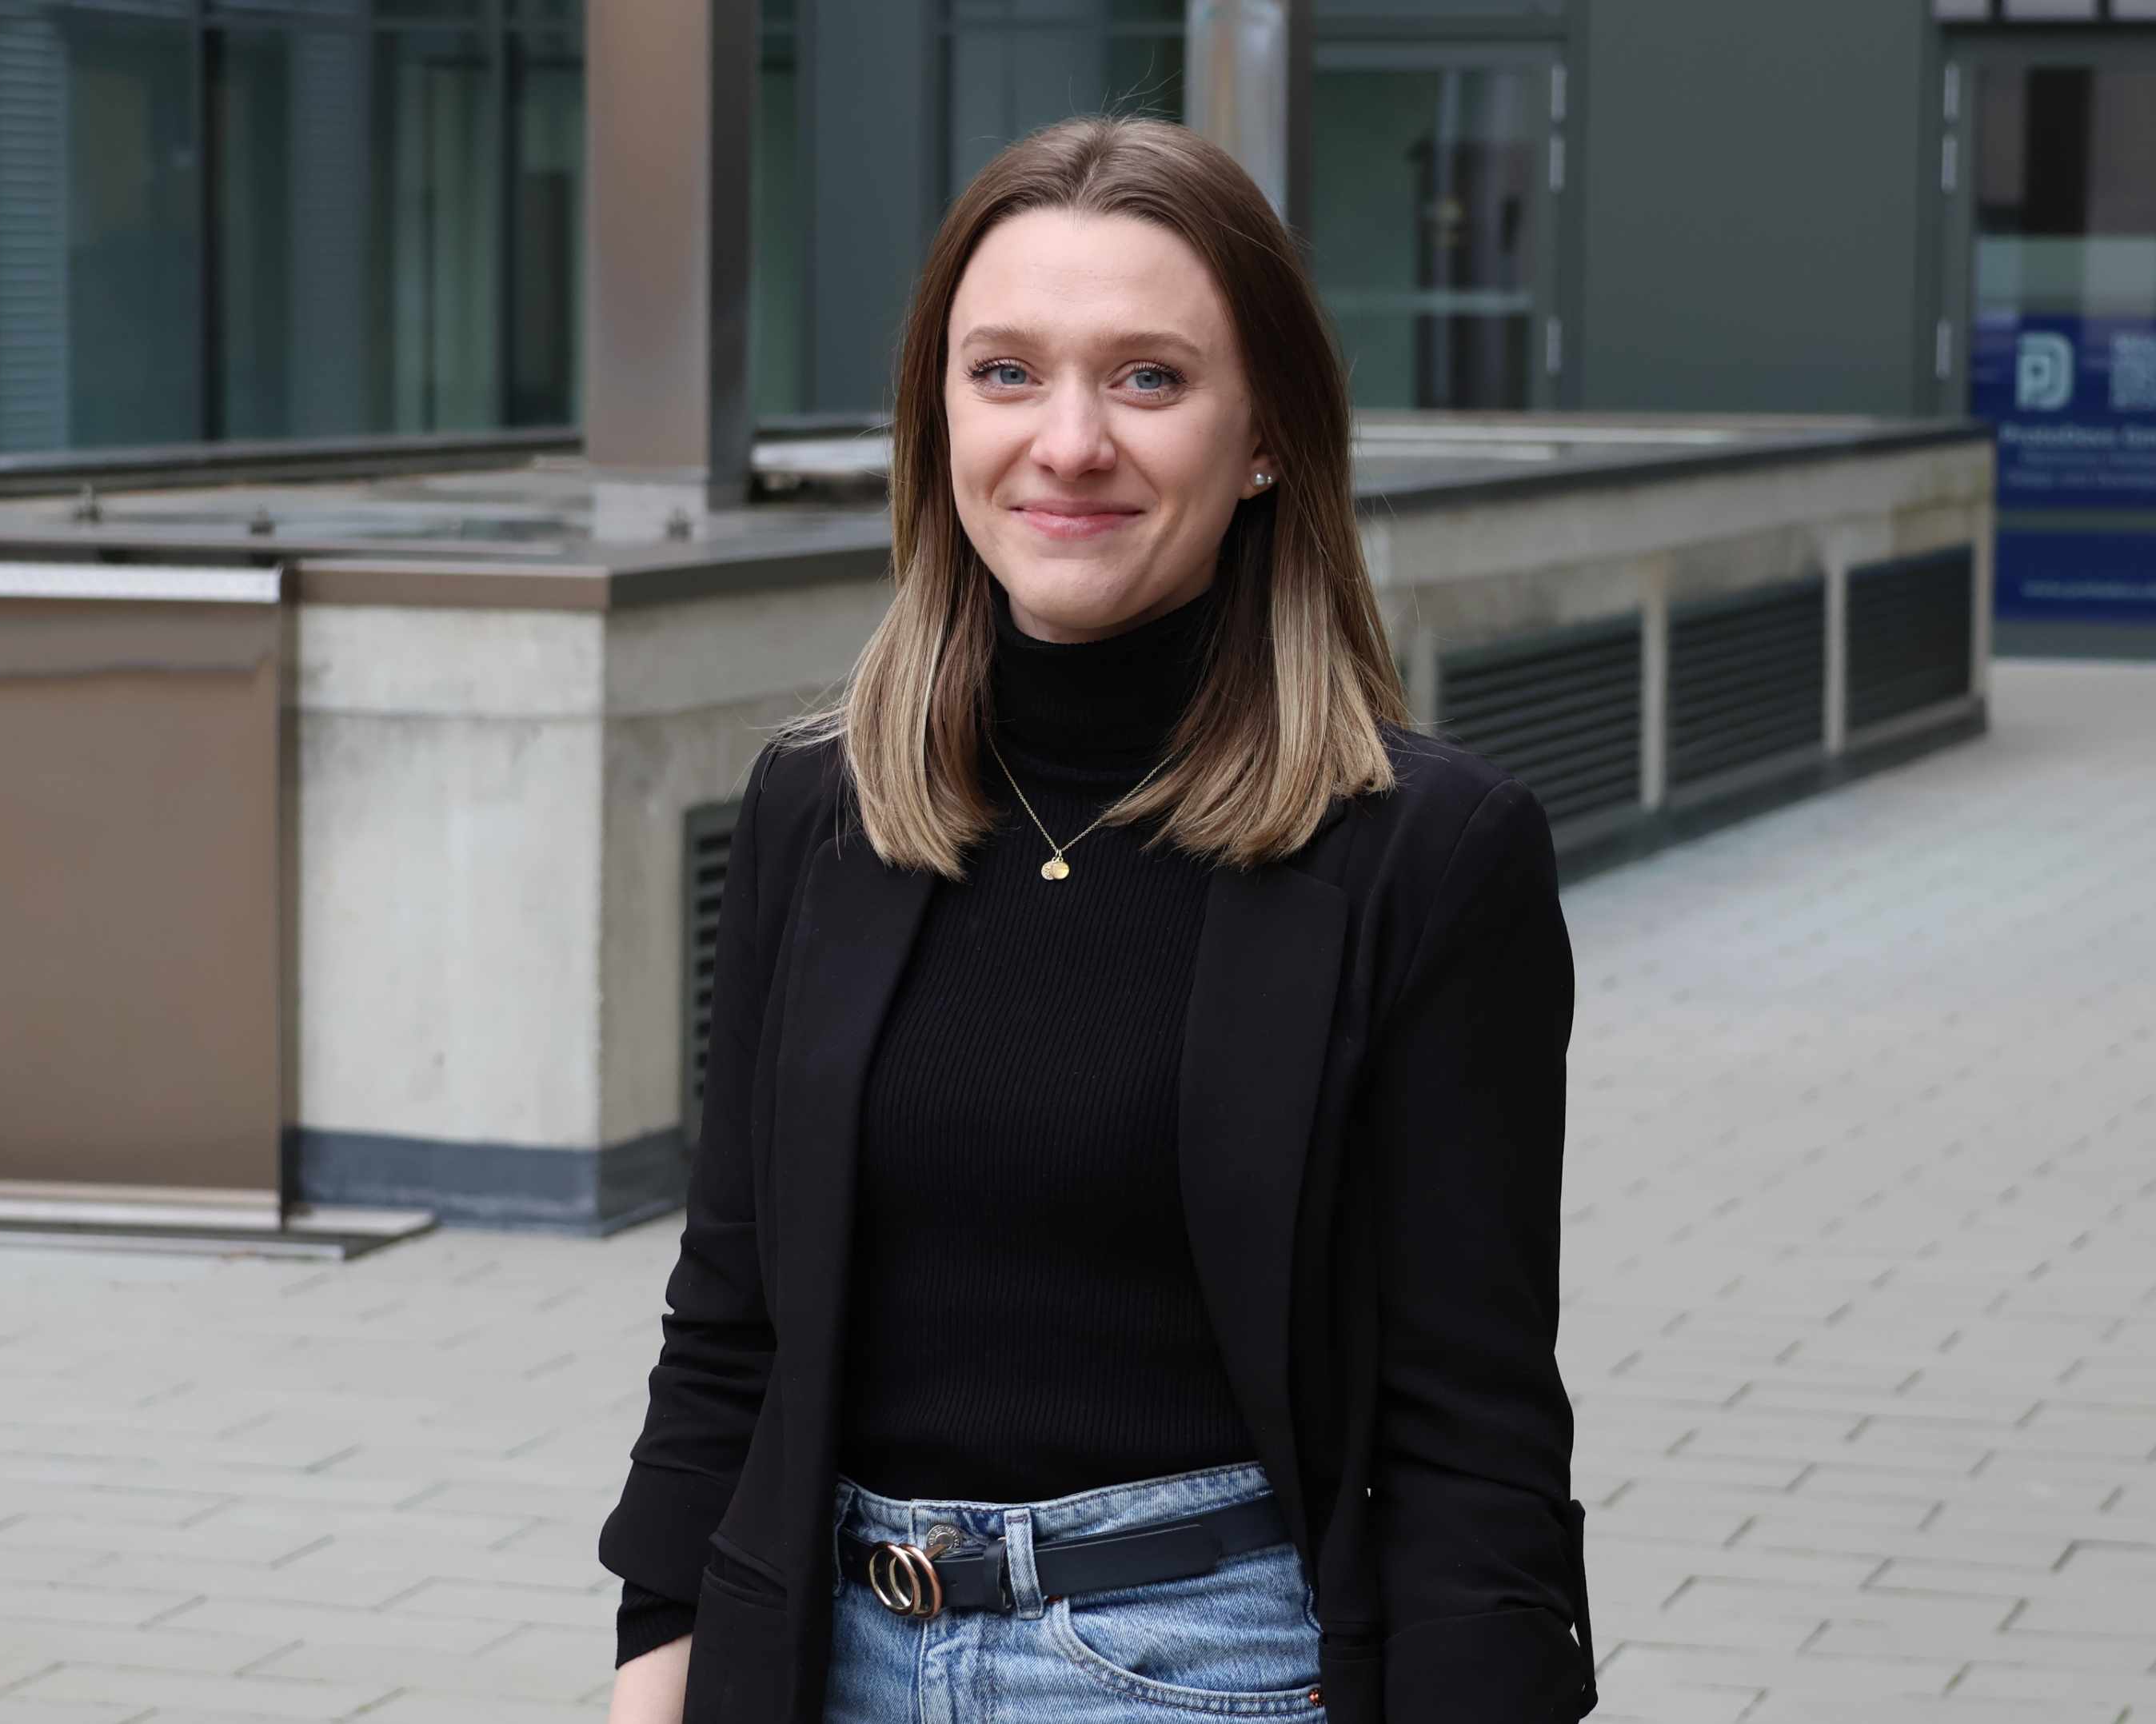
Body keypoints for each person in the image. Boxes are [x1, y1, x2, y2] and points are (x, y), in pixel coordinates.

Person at [597, 114, 1598, 1724]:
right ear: (939, 420)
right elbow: (732, 1319)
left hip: (1204, 1668)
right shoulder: (818, 810)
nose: (1068, 443)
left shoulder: (1427, 855)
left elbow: (1470, 1432)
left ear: (1265, 436)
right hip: (819, 1659)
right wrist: (656, 1665)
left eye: (1147, 378)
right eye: (1005, 373)